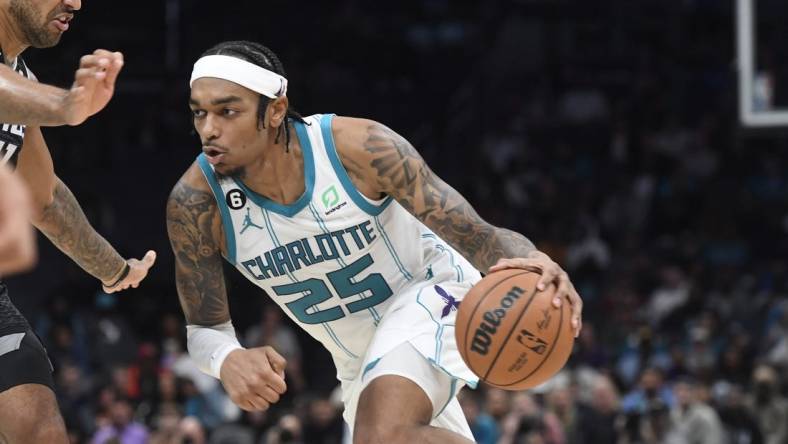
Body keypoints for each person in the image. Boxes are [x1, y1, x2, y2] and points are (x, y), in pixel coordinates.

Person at [166, 40, 583, 443]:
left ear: (275, 110)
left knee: (382, 435)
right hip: (358, 358)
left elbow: (476, 234)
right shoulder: (195, 205)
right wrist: (228, 359)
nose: (209, 129)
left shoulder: (357, 148)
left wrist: (533, 259)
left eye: (228, 111)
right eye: (199, 113)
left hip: (431, 293)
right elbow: (204, 328)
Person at [0, 0, 156, 442]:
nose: (75, 2)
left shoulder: (21, 80)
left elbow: (43, 199)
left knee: (39, 424)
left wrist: (114, 269)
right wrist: (65, 106)